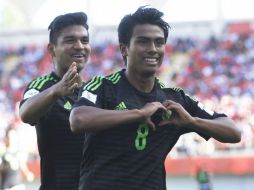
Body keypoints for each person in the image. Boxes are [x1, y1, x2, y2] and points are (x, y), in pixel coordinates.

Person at [69, 7, 241, 190]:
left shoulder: (175, 98)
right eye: (143, 42)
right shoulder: (103, 86)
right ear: (124, 48)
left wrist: (192, 121)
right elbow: (78, 119)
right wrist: (138, 114)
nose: (152, 49)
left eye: (159, 43)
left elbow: (233, 132)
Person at [19, 12, 91, 190]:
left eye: (84, 40)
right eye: (70, 40)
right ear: (52, 49)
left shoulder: (94, 90)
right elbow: (26, 113)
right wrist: (57, 90)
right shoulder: (42, 86)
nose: (79, 46)